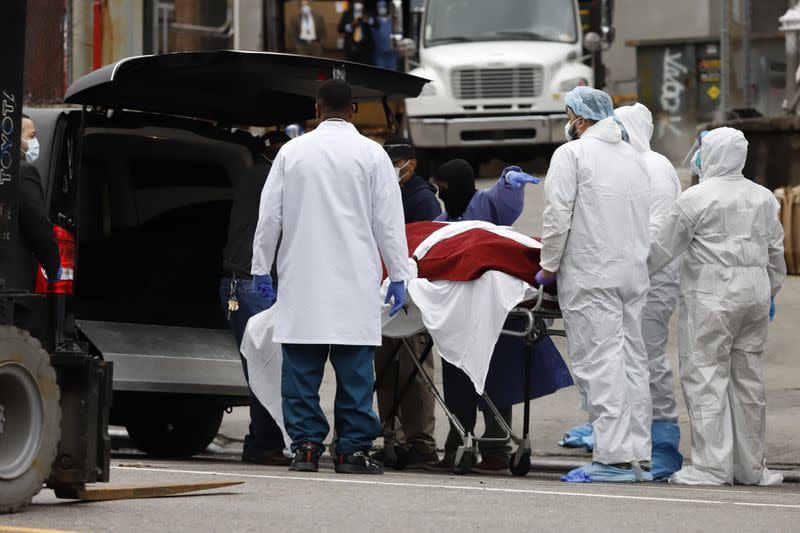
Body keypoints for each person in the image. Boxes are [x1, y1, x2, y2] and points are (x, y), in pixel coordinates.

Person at [252, 79, 412, 474]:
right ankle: (352, 451)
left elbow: (269, 216)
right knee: (356, 373)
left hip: (301, 281)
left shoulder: (292, 153)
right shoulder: (372, 155)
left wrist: (260, 268)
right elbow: (389, 223)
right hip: (354, 283)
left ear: (317, 109)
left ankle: (305, 447)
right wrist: (399, 273)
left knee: (301, 373)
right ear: (354, 110)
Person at [648, 127, 786, 486]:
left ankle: (712, 467)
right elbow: (776, 254)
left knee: (706, 376)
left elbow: (663, 249)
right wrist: (769, 291)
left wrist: (631, 276)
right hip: (754, 292)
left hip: (710, 294)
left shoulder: (695, 198)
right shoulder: (765, 198)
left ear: (710, 155)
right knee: (748, 381)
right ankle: (750, 467)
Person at [540, 86, 653, 483]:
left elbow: (557, 215)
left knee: (600, 365)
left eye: (569, 114)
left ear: (582, 119)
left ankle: (614, 459)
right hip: (632, 274)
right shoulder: (635, 159)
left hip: (591, 276)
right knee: (632, 363)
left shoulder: (572, 155)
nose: (568, 122)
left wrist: (548, 266)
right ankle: (639, 452)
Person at [432, 158, 543, 474]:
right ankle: (459, 436)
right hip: (456, 312)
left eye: (446, 189)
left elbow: (503, 201)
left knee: (494, 375)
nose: (443, 195)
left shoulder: (485, 204)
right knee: (456, 375)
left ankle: (496, 444)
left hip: (492, 309)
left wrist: (509, 181)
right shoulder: (441, 220)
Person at [607, 103, 684, 480]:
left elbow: (659, 232)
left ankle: (664, 438)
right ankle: (628, 433)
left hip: (654, 279)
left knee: (649, 357)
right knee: (625, 358)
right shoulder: (627, 166)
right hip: (632, 276)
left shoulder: (655, 167)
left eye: (621, 127)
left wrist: (632, 269)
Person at [220, 132, 291, 466]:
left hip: (240, 284)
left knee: (263, 366)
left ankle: (264, 440)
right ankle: (264, 443)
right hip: (250, 283)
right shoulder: (268, 176)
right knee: (267, 367)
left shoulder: (253, 175)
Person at [373, 136, 440, 468]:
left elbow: (424, 249)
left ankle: (420, 442)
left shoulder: (423, 200)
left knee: (413, 373)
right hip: (385, 293)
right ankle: (391, 436)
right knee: (384, 370)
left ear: (410, 165)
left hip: (413, 295)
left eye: (393, 164)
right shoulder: (387, 193)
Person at [372, 1, 396, 70]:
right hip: (379, 54)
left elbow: (397, 33)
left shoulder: (391, 20)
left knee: (392, 74)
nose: (382, 9)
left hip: (392, 53)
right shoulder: (375, 21)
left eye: (383, 7)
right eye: (380, 7)